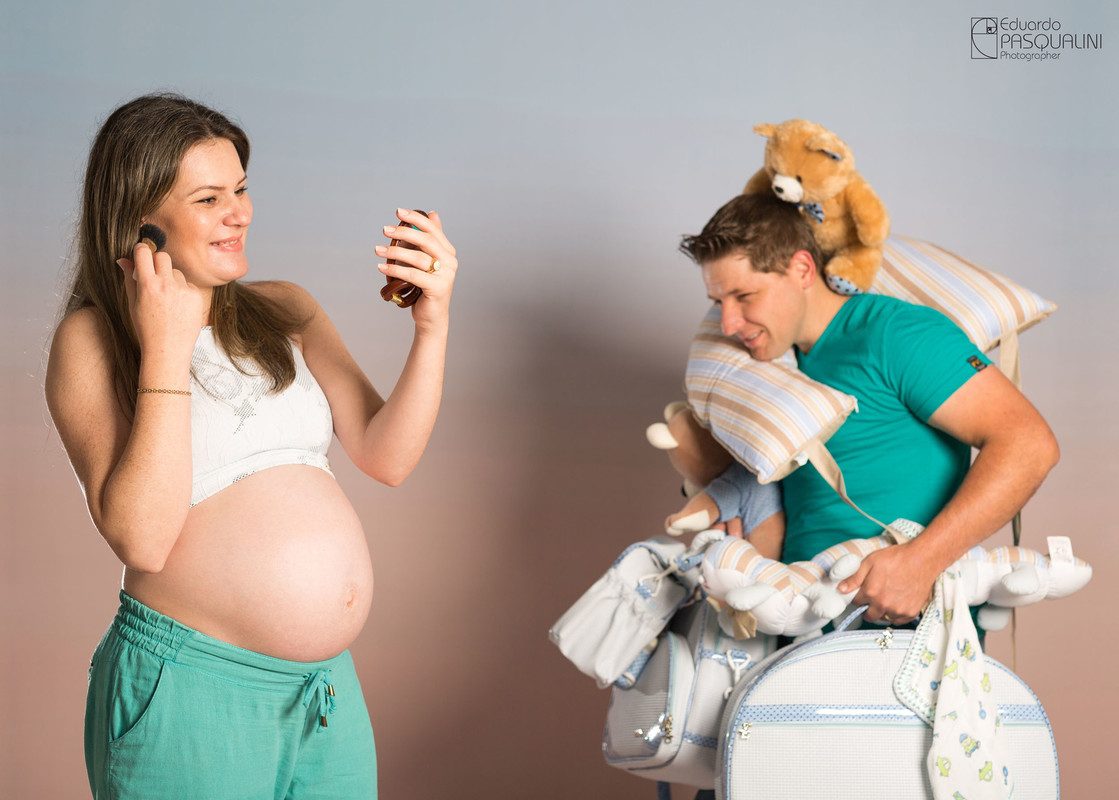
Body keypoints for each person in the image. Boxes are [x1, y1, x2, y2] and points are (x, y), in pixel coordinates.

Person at [45, 93, 458, 799]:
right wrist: (167, 347)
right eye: (209, 197)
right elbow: (142, 539)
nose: (241, 212)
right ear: (139, 218)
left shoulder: (286, 306)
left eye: (240, 189)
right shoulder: (92, 339)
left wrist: (433, 323)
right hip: (193, 689)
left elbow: (386, 456)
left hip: (323, 694)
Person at [678, 192, 1059, 627]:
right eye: (718, 301)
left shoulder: (894, 334)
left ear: (802, 269)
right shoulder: (774, 372)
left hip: (900, 632)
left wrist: (920, 561)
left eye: (745, 295)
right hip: (799, 631)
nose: (727, 324)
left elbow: (1029, 443)